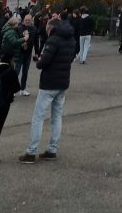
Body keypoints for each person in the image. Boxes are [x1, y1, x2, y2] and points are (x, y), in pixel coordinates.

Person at [18, 14, 77, 162]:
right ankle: (52, 149)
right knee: (57, 116)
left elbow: (43, 62)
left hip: (49, 83)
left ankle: (31, 152)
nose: (47, 31)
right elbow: (70, 58)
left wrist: (39, 60)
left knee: (38, 117)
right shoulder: (71, 39)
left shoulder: (53, 40)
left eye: (47, 28)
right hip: (63, 83)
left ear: (51, 27)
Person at [16, 14, 37, 95]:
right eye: (25, 20)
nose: (27, 21)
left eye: (28, 20)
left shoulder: (34, 29)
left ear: (31, 20)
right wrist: (23, 42)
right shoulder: (20, 27)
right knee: (16, 71)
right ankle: (12, 89)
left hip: (28, 53)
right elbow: (18, 38)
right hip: (20, 53)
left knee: (25, 72)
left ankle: (23, 89)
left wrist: (37, 52)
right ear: (23, 20)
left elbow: (35, 41)